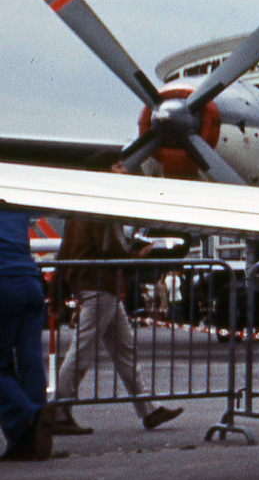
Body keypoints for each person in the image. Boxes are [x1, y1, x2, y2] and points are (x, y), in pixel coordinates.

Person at [53, 153, 182, 435]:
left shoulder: (80, 204)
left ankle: (148, 409)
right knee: (83, 348)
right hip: (100, 284)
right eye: (120, 166)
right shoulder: (101, 202)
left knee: (123, 349)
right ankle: (59, 410)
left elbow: (66, 249)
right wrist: (135, 253)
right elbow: (108, 246)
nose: (125, 170)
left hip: (96, 284)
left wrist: (58, 288)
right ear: (108, 170)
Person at [0, 211, 58, 460]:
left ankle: (30, 417)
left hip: (3, 281)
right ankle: (28, 443)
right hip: (30, 281)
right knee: (30, 358)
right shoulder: (13, 203)